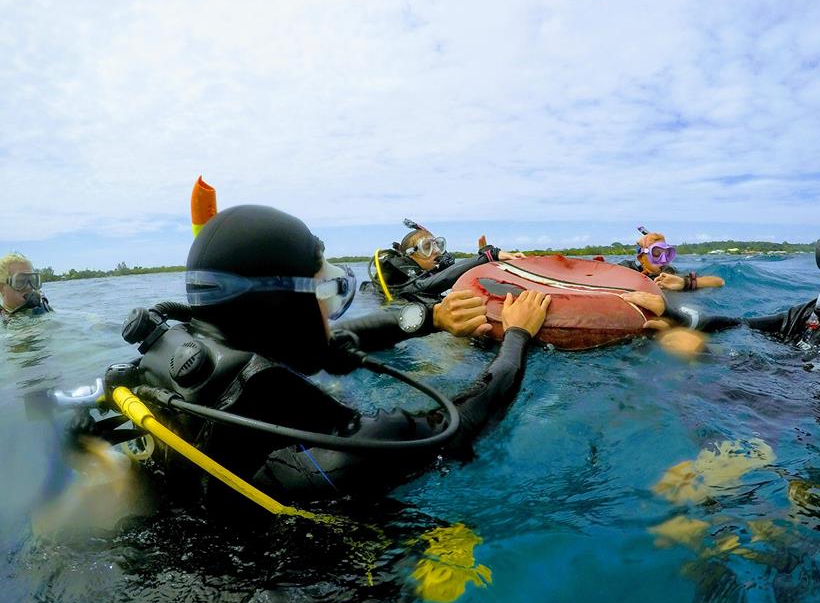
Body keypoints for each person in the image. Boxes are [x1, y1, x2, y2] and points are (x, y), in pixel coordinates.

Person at [90, 205, 550, 511]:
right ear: (282, 308)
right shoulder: (345, 444)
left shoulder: (192, 360)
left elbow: (333, 340)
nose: (333, 311)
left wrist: (431, 318)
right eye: (323, 292)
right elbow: (468, 419)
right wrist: (517, 336)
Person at [623, 218, 820, 373]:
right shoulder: (814, 314)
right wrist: (673, 315)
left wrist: (709, 356)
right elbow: (743, 325)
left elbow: (804, 396)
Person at [366, 219, 525, 301]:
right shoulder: (402, 282)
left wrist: (484, 258)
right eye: (427, 247)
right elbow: (424, 287)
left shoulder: (431, 273)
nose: (435, 251)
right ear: (410, 255)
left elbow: (452, 275)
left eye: (438, 245)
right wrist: (488, 256)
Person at [618, 227, 725, 292]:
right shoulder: (628, 269)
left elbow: (719, 281)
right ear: (641, 258)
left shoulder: (670, 273)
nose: (663, 259)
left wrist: (684, 283)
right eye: (656, 253)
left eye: (667, 254)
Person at [1, 252, 52, 320]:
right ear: (1, 288)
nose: (29, 287)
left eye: (33, 281)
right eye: (20, 281)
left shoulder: (44, 310)